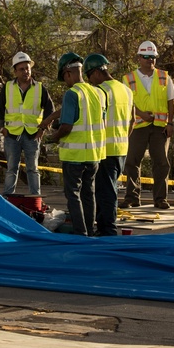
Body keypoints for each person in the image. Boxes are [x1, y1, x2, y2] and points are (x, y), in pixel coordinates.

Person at [46, 53, 105, 236]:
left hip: (75, 156)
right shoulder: (98, 92)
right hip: (94, 155)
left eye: (64, 77)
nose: (65, 82)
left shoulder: (72, 94)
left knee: (73, 195)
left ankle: (80, 234)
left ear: (68, 73)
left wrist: (53, 137)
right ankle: (90, 230)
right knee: (89, 195)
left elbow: (66, 127)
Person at [120, 41, 174, 209]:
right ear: (139, 58)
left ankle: (160, 199)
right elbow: (126, 103)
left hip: (160, 127)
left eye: (152, 57)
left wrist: (171, 123)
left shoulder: (164, 77)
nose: (149, 60)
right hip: (137, 127)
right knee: (132, 161)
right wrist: (141, 114)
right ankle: (132, 197)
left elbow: (171, 102)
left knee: (161, 162)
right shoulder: (128, 79)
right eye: (146, 57)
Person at [85, 53, 133, 236]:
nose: (90, 82)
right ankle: (106, 226)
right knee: (109, 189)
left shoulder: (101, 92)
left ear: (97, 72)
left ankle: (108, 229)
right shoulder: (126, 90)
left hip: (105, 150)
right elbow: (132, 121)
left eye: (90, 77)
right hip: (121, 148)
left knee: (106, 192)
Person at [0, 52, 54, 196]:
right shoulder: (8, 87)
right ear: (15, 71)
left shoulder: (40, 88)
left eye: (27, 68)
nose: (25, 71)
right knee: (11, 168)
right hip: (12, 134)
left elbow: (50, 110)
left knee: (32, 168)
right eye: (21, 69)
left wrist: (43, 129)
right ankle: (8, 198)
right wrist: (2, 128)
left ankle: (35, 198)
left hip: (32, 134)